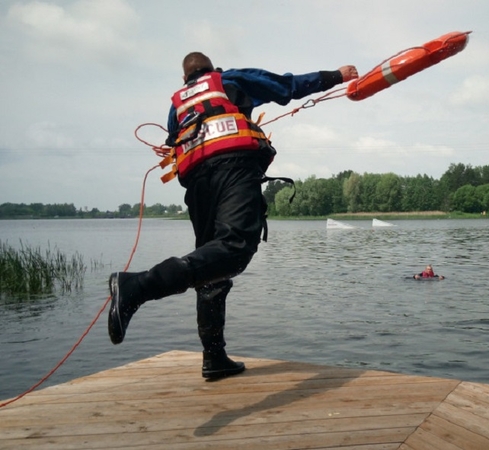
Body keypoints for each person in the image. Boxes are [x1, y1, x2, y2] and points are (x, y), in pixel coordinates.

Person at [108, 52, 358, 380]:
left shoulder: (177, 106)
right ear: (212, 70)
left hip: (198, 182)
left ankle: (214, 358)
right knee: (235, 249)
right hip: (233, 166)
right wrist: (336, 76)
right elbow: (287, 86)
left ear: (185, 81)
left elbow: (174, 142)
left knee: (209, 265)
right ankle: (137, 286)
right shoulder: (231, 80)